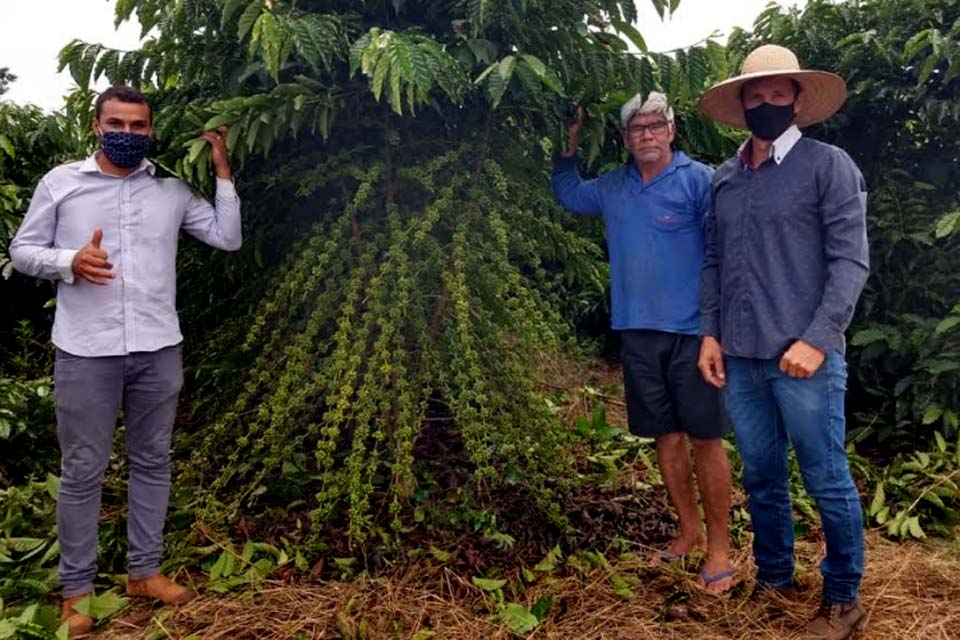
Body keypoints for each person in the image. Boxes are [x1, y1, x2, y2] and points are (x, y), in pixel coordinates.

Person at [10, 85, 241, 637]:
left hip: (158, 346)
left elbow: (226, 238)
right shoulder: (61, 183)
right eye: (117, 123)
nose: (128, 133)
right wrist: (70, 259)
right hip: (86, 349)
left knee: (154, 462)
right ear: (96, 126)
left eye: (139, 126)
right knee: (83, 471)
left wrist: (222, 171)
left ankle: (145, 572)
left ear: (151, 130)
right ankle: (77, 591)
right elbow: (21, 250)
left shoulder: (170, 189)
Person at [697, 45, 869, 639]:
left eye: (778, 94)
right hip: (741, 358)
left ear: (798, 100)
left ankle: (844, 599)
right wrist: (711, 334)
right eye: (755, 95)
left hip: (805, 361)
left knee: (826, 478)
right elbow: (714, 262)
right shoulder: (725, 177)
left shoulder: (829, 166)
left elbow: (851, 262)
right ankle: (774, 579)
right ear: (742, 103)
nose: (766, 103)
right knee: (763, 477)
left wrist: (819, 339)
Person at [552, 92, 734, 593]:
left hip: (693, 335)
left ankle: (720, 546)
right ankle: (688, 532)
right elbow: (568, 193)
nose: (647, 135)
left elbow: (720, 256)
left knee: (705, 438)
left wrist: (713, 332)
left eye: (656, 125)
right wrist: (567, 145)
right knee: (666, 437)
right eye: (637, 129)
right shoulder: (614, 186)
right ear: (626, 138)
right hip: (638, 332)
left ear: (673, 131)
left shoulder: (700, 181)